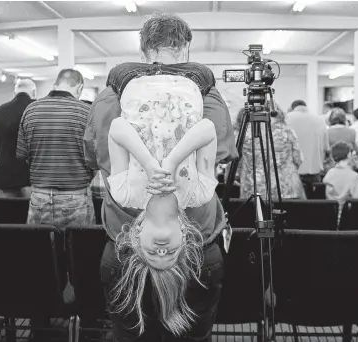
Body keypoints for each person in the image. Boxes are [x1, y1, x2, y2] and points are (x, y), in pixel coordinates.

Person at [83, 12, 237, 342]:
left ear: (143, 51)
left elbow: (95, 153)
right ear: (185, 49)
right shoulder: (205, 91)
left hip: (125, 239)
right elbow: (222, 149)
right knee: (191, 334)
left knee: (131, 333)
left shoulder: (112, 92)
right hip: (197, 241)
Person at [17, 69, 95, 228]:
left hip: (39, 197)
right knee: (80, 251)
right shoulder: (87, 112)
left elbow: (22, 155)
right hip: (76, 197)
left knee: (40, 251)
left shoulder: (30, 110)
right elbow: (95, 158)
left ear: (55, 84)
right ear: (79, 88)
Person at [237, 106, 306, 200]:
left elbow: (235, 162)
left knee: (255, 214)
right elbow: (298, 159)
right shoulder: (287, 131)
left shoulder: (244, 132)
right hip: (287, 188)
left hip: (253, 188)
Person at [0, 78, 36, 198]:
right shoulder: (37, 111)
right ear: (34, 93)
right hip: (31, 178)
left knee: (6, 215)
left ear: (14, 93)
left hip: (5, 177)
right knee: (30, 216)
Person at [287, 99, 329, 198]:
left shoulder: (287, 119)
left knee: (296, 207)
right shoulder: (320, 120)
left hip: (293, 172)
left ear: (292, 108)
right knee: (315, 206)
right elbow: (326, 148)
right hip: (315, 170)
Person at [323, 142, 358, 222]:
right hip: (348, 218)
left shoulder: (330, 173)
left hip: (331, 217)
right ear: (348, 155)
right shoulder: (354, 176)